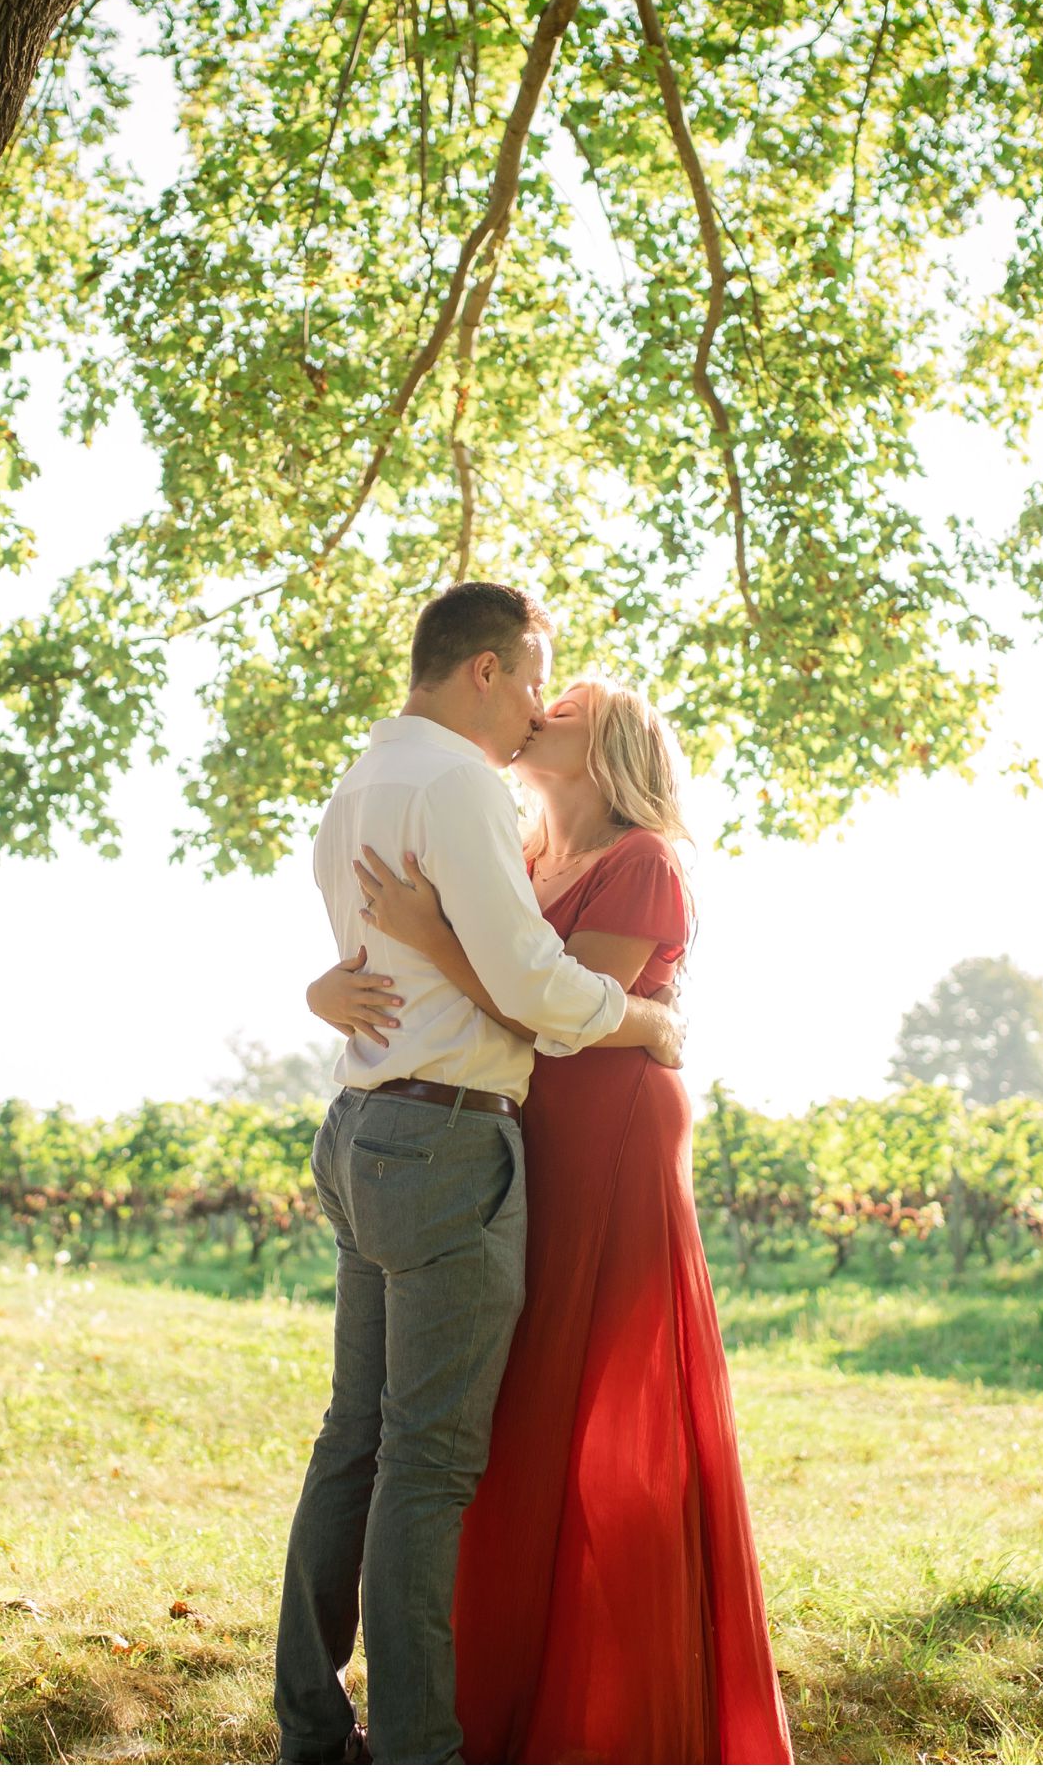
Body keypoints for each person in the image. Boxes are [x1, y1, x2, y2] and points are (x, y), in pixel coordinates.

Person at [310, 672, 792, 1764]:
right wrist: (327, 987)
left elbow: (561, 1015)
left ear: (610, 745)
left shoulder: (643, 862)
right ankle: (491, 1680)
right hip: (523, 1133)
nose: (540, 712)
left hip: (608, 1134)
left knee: (594, 1397)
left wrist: (436, 941)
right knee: (504, 1400)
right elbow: (500, 987)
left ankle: (600, 1695)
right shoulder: (525, 858)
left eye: (563, 707)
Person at [273, 582, 687, 1766]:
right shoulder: (459, 784)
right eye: (532, 681)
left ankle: (310, 1727)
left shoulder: (361, 781)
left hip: (361, 1125)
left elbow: (366, 962)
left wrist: (320, 989)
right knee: (427, 1460)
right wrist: (640, 1022)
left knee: (352, 1435)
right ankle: (415, 1748)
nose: (536, 715)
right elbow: (529, 985)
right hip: (446, 1135)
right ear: (486, 673)